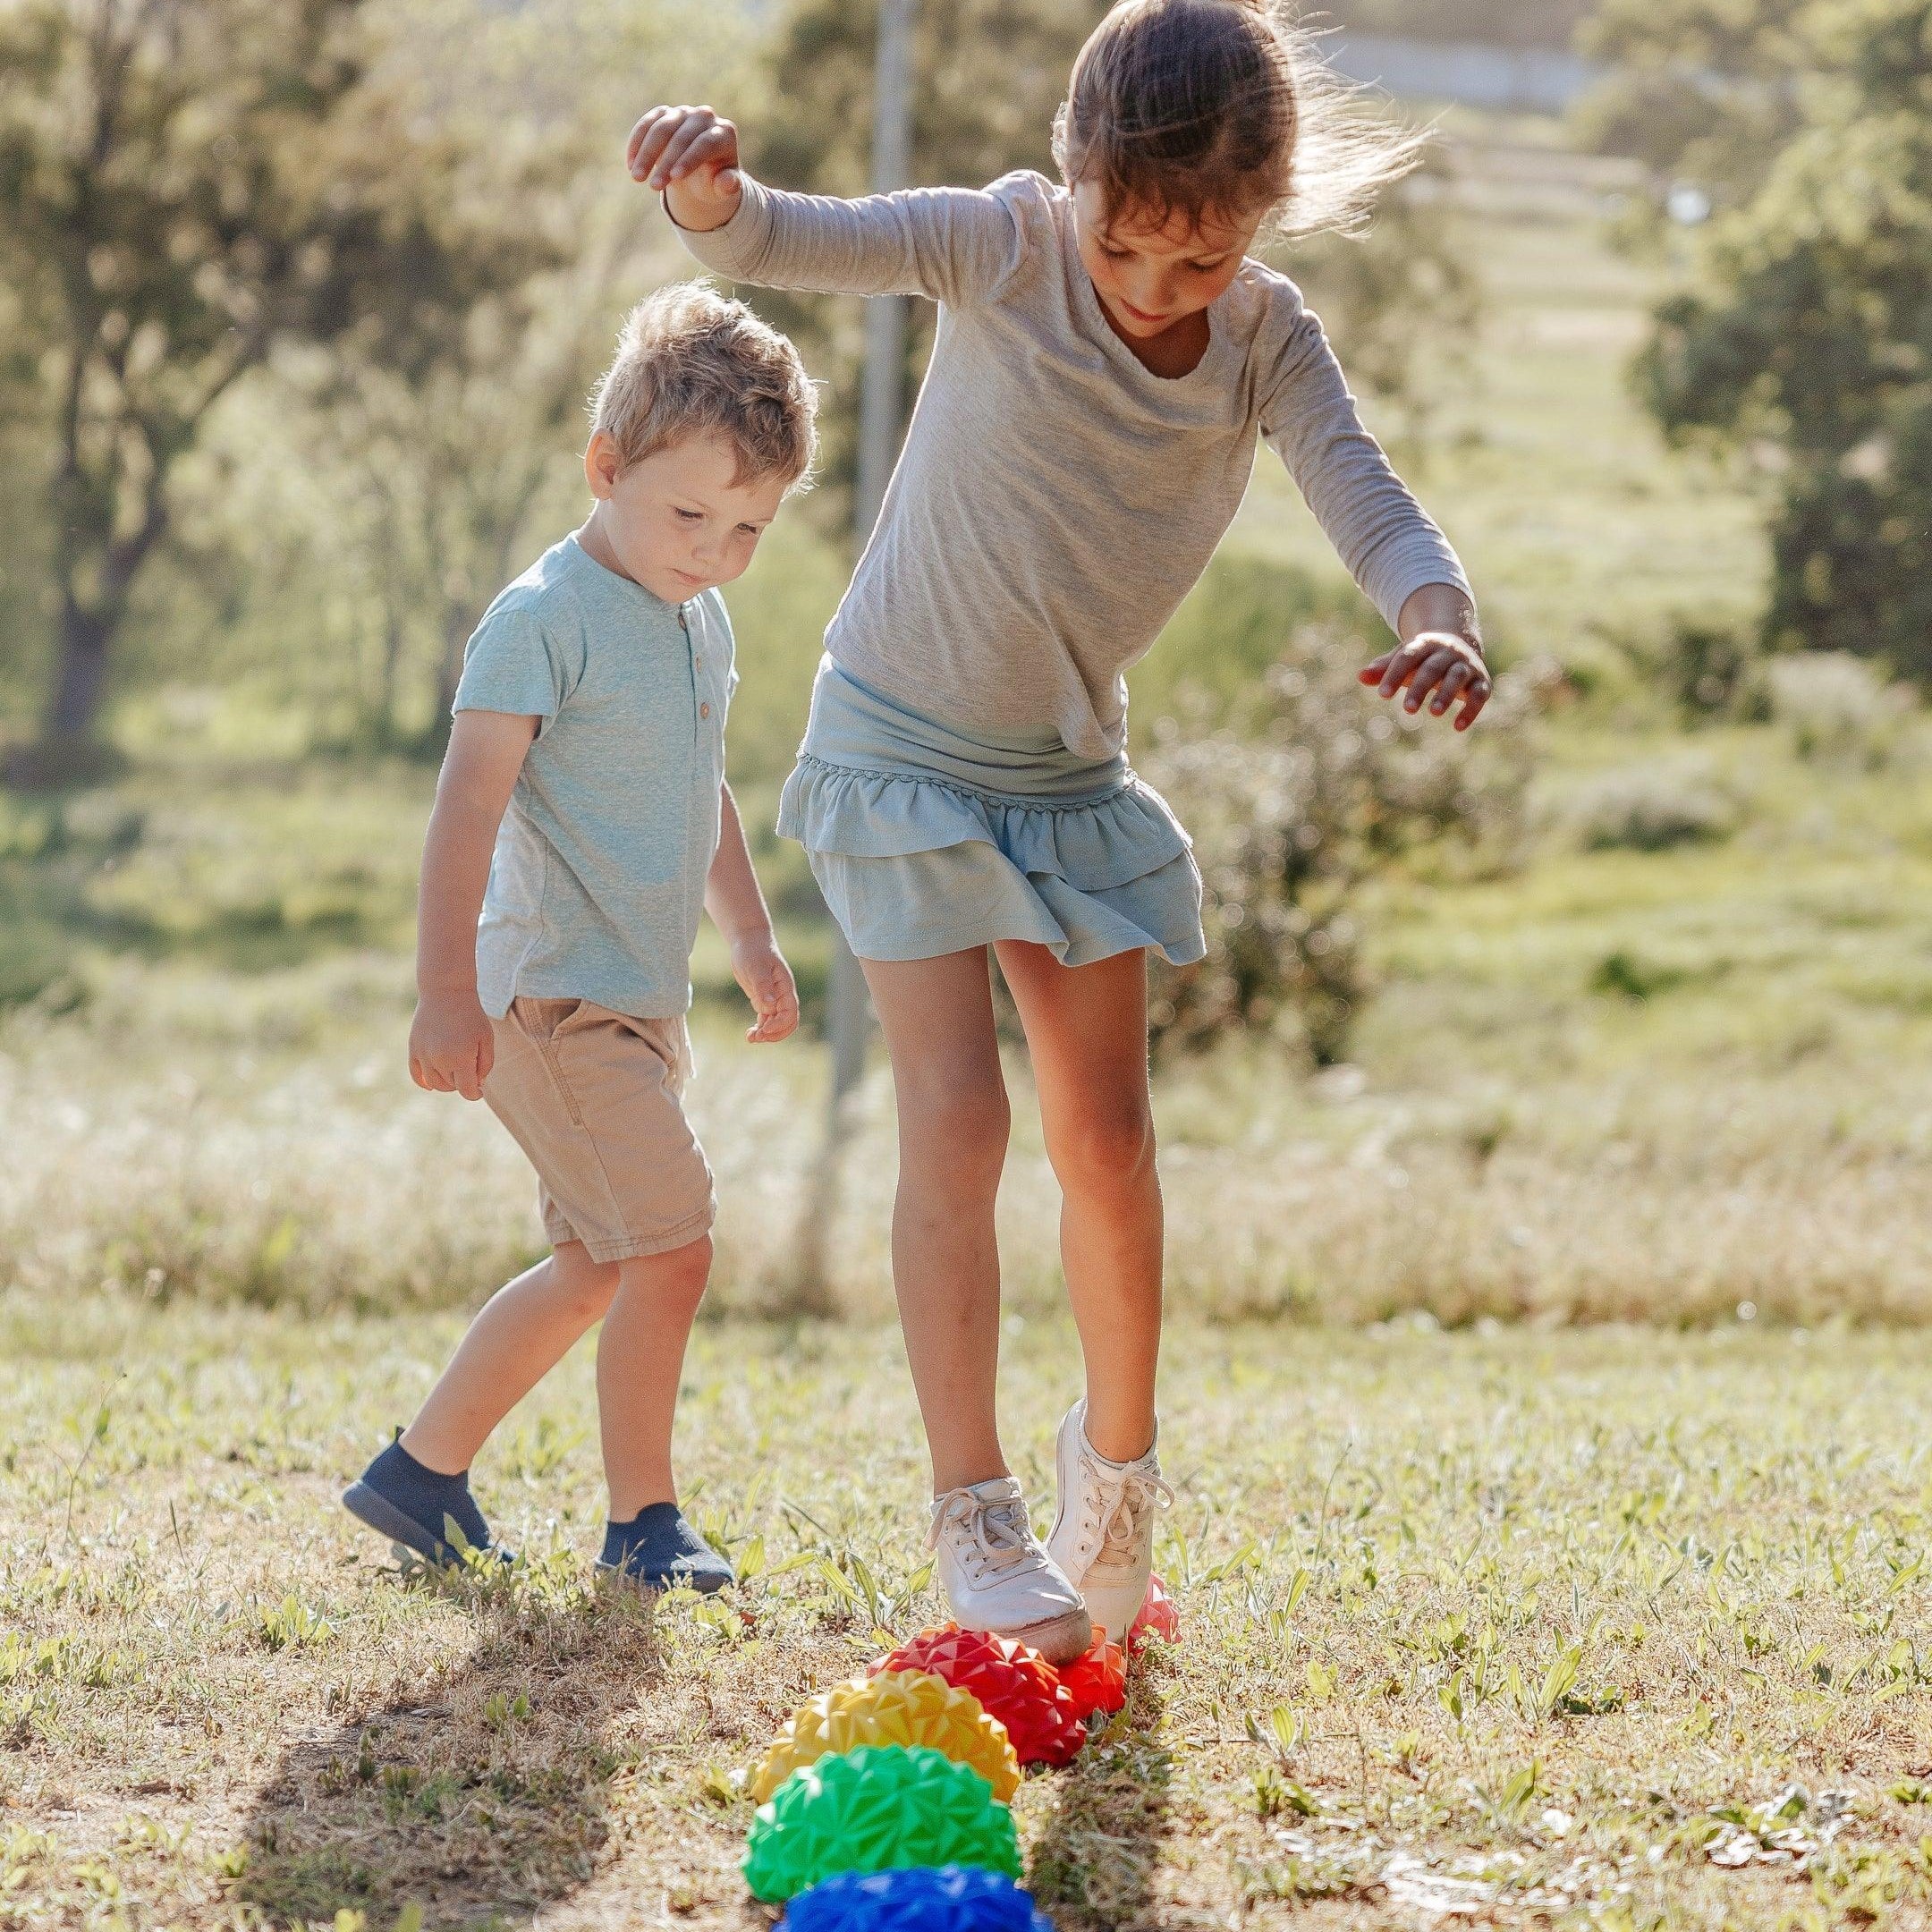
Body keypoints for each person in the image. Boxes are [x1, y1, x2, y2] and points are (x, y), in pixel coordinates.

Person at [628, 0, 1489, 1663]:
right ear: (1074, 172)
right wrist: (708, 198)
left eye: (1204, 258)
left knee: (1105, 1140)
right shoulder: (1005, 247)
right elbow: (801, 239)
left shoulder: (1266, 341)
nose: (1158, 288)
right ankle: (974, 1511)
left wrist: (1435, 609)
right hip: (895, 738)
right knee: (956, 1123)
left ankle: (1120, 1480)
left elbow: (1361, 487)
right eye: (1133, 246)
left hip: (1067, 776)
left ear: (1260, 218)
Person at [343, 284, 817, 1591]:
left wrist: (753, 938)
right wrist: (446, 994)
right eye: (687, 514)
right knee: (670, 1244)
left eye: (747, 529)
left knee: (599, 1261)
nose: (715, 549)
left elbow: (700, 783)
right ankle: (642, 1525)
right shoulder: (543, 616)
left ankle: (420, 1474)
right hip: (544, 998)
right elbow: (466, 809)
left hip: (632, 997)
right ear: (606, 468)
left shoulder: (695, 617)